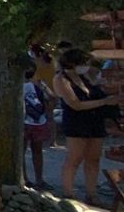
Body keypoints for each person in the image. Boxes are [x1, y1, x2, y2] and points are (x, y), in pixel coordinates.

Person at [53, 48, 123, 204]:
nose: (86, 65)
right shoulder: (61, 79)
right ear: (73, 63)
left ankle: (91, 194)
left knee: (93, 159)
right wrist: (104, 102)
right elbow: (75, 104)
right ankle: (68, 194)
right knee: (75, 157)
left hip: (94, 120)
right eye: (83, 62)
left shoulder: (85, 76)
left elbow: (100, 85)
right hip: (77, 122)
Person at [22, 66, 54, 190]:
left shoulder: (39, 85)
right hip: (25, 121)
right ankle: (25, 179)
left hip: (38, 121)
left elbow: (52, 97)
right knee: (23, 151)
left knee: (37, 150)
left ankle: (39, 179)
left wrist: (43, 86)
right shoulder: (19, 86)